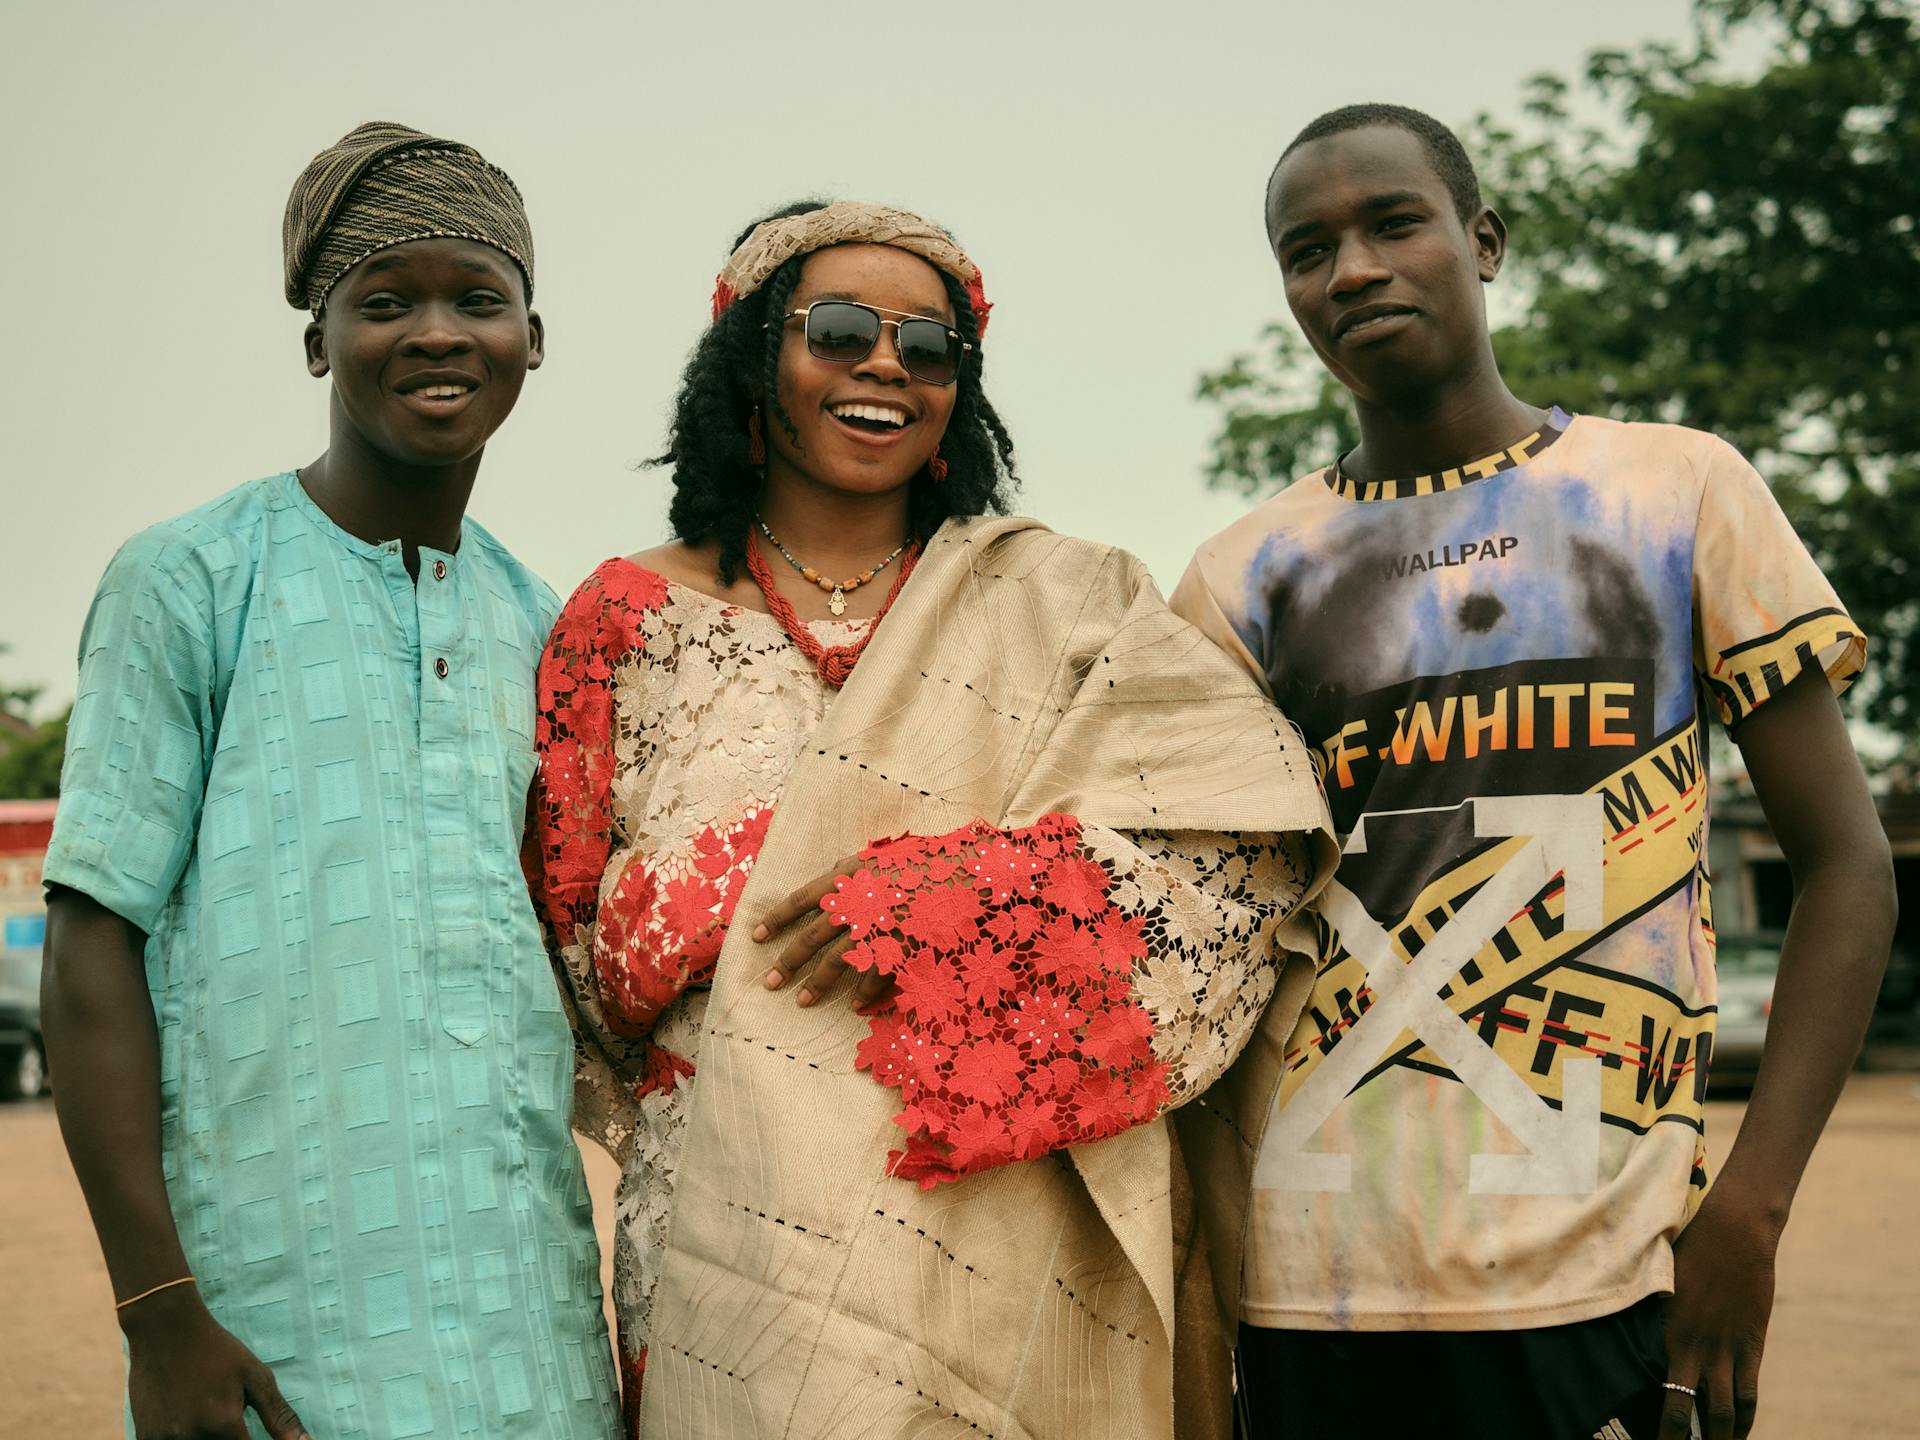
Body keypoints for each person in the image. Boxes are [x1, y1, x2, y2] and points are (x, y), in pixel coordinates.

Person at [523, 199, 1337, 1438]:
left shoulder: (1063, 605)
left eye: (932, 345)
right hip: (727, 1214)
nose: (887, 364)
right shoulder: (623, 618)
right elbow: (588, 958)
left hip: (998, 1212)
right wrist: (757, 880)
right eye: (839, 329)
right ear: (754, 355)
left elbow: (1239, 850)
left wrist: (942, 900)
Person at [1172, 103, 1897, 1440]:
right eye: (1307, 249)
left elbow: (1849, 867)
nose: (1353, 271)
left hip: (1614, 1270)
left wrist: (1751, 1208)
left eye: (1394, 223)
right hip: (1313, 1282)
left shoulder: (1673, 492)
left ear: (1482, 241)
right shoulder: (1242, 577)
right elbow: (1208, 928)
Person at [40, 122, 621, 1439]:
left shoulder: (550, 628)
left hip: (532, 1337)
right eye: (383, 301)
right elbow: (89, 945)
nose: (435, 332)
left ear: (533, 337)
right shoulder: (191, 581)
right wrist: (160, 1310)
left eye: (477, 298)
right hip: (275, 1333)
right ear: (318, 339)